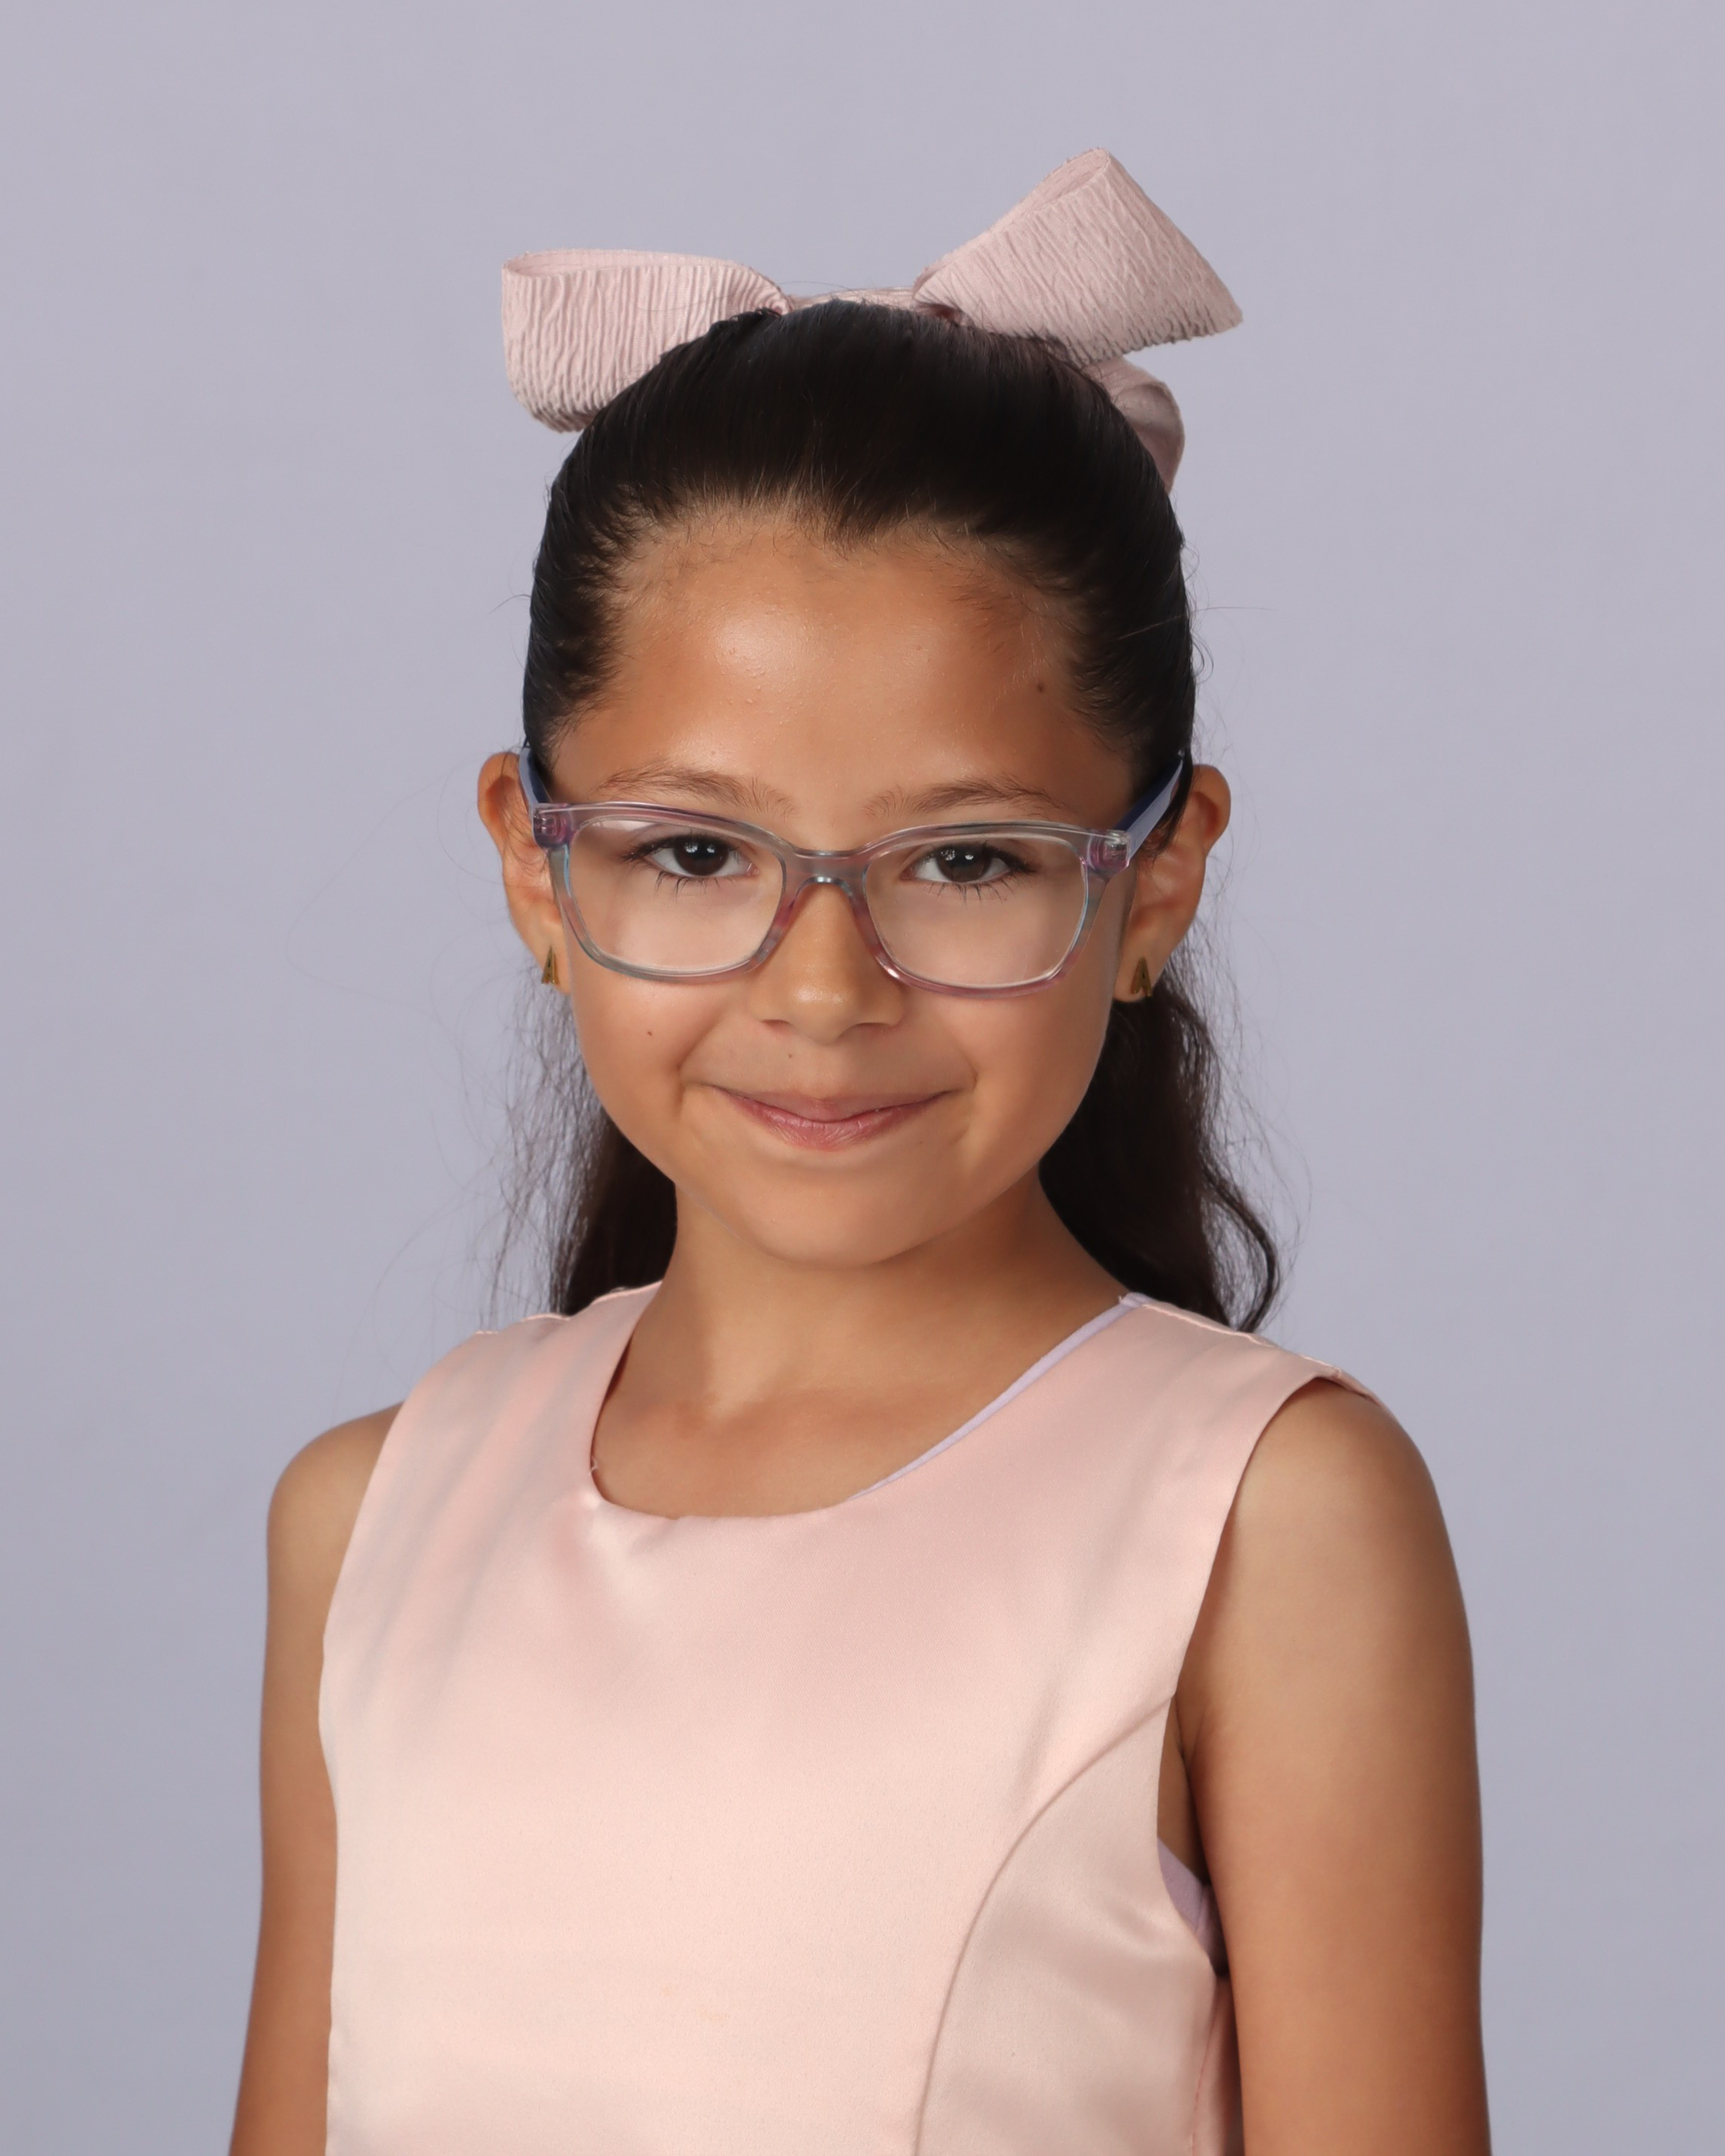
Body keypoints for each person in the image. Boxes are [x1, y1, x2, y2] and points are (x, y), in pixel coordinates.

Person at [230, 153, 1489, 2155]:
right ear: (536, 872)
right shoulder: (370, 1523)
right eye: (695, 851)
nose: (824, 988)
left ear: (1156, 884)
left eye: (967, 861)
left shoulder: (1270, 1527)